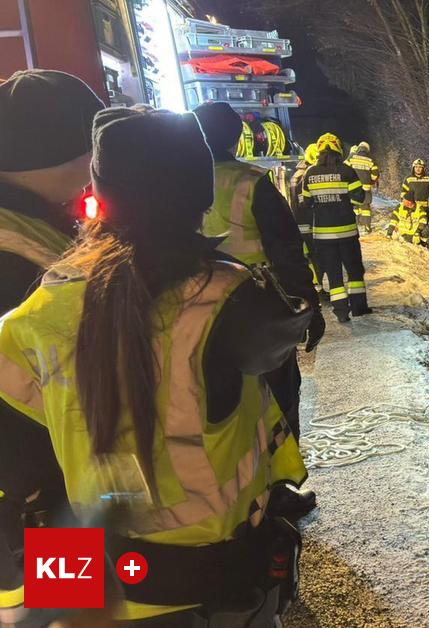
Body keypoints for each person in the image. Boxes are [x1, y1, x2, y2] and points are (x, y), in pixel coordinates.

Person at [0, 107, 310, 625]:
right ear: (199, 194)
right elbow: (281, 336)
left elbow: (23, 464)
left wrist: (67, 595)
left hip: (99, 576)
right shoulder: (226, 299)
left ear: (103, 193)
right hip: (213, 583)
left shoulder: (39, 309)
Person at [0, 69, 104, 624]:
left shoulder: (25, 224)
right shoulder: (18, 253)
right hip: (40, 489)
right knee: (69, 610)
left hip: (30, 487)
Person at [193, 101, 322, 518]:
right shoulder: (253, 184)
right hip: (257, 315)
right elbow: (287, 250)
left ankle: (228, 494)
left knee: (216, 407)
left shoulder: (177, 185)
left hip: (195, 317)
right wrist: (308, 306)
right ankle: (278, 491)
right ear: (236, 137)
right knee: (278, 400)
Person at [300, 133, 369, 322]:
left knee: (333, 275)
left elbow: (307, 203)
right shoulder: (347, 171)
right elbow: (358, 198)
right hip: (347, 232)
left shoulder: (309, 174)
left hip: (322, 236)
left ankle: (341, 312)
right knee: (354, 271)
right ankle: (359, 308)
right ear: (339, 150)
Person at [291, 143, 327, 301]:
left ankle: (316, 288)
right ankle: (317, 289)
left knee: (313, 257)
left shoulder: (299, 174)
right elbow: (306, 203)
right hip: (309, 223)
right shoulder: (305, 176)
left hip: (304, 223)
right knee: (316, 257)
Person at [388, 158, 429, 244]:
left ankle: (421, 240)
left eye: (420, 167)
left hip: (425, 207)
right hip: (410, 206)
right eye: (416, 167)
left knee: (424, 226)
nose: (418, 169)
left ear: (423, 168)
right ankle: (408, 237)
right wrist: (404, 203)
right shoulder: (408, 179)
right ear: (413, 168)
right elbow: (404, 192)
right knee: (409, 224)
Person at [345, 142, 379, 232]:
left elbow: (344, 167)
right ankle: (367, 226)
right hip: (366, 188)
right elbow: (375, 176)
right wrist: (370, 181)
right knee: (365, 208)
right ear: (367, 150)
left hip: (353, 187)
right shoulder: (371, 160)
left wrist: (351, 153)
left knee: (354, 206)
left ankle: (354, 225)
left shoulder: (352, 157)